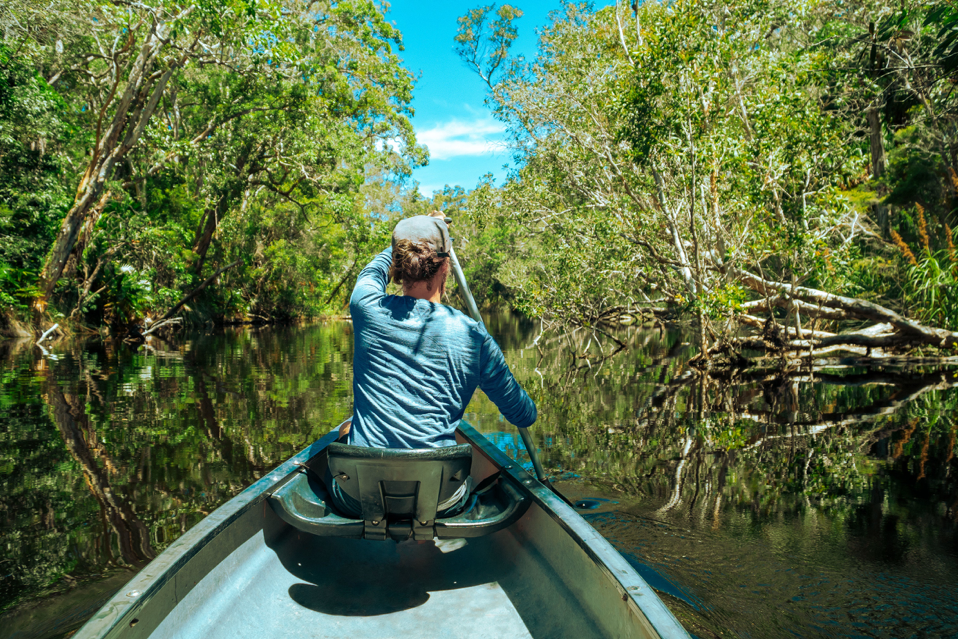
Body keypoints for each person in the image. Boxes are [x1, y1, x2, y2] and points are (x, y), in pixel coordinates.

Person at [328, 212, 537, 517]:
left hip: (359, 496)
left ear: (398, 268)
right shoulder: (472, 335)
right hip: (440, 499)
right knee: (458, 452)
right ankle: (421, 547)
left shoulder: (366, 307)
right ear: (446, 266)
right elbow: (524, 414)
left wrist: (408, 238)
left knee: (347, 429)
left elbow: (373, 270)